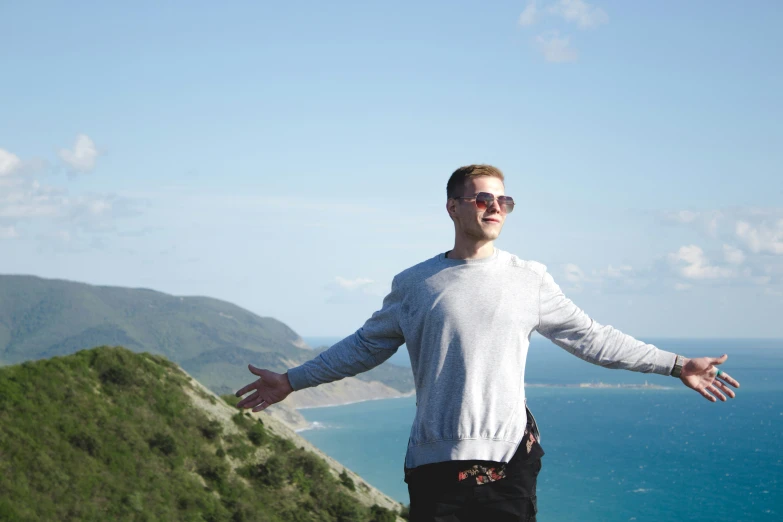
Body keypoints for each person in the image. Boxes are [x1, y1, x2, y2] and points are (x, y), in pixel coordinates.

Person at [236, 164, 741, 522]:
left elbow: (592, 339)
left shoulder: (530, 278)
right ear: (453, 207)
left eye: (504, 200)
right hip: (434, 464)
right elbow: (365, 346)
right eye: (483, 198)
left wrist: (676, 365)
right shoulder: (416, 283)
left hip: (511, 462)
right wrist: (292, 381)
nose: (495, 207)